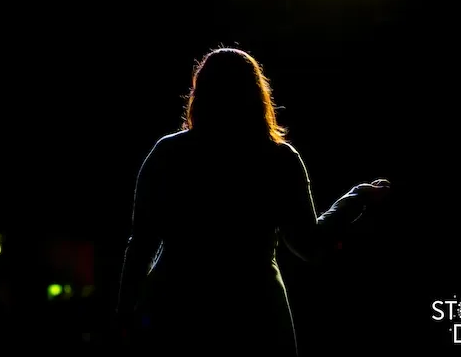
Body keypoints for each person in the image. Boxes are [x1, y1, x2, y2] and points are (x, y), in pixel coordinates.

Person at [116, 48, 389, 356]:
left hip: (174, 313)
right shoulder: (279, 159)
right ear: (257, 95)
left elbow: (140, 246)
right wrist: (358, 197)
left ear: (200, 94)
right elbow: (310, 246)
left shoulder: (167, 154)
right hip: (258, 317)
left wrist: (124, 316)